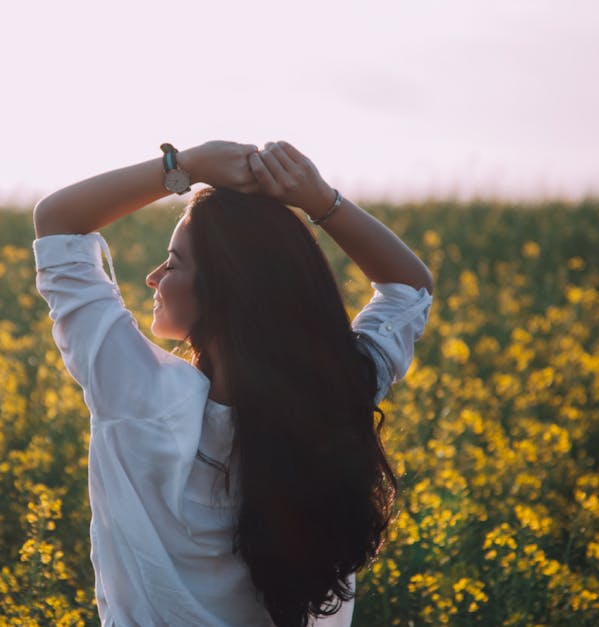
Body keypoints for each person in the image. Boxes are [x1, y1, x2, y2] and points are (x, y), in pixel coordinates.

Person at [31, 140, 434, 626]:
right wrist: (319, 200)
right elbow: (410, 288)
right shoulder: (336, 395)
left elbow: (56, 222)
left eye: (174, 262)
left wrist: (182, 167)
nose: (154, 277)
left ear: (225, 292)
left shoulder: (138, 396)